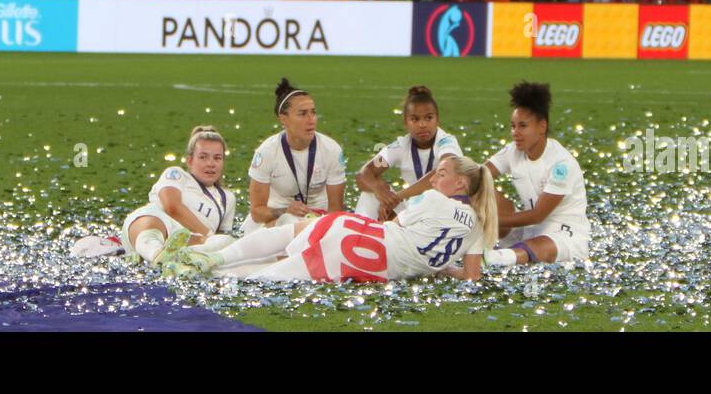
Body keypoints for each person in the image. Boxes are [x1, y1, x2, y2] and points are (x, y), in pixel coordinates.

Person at [168, 153, 495, 283]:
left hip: (366, 240)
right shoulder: (479, 223)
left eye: (440, 175)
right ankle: (213, 272)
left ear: (460, 184)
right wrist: (434, 267)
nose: (435, 181)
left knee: (285, 239)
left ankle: (209, 259)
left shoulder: (435, 199)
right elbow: (471, 276)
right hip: (377, 265)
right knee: (272, 274)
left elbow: (395, 227)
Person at [483, 82, 589, 269]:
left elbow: (538, 215)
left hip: (562, 233)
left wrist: (490, 220)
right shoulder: (513, 151)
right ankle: (502, 253)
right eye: (513, 126)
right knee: (481, 188)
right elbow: (479, 175)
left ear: (542, 127)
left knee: (537, 247)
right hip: (527, 230)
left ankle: (492, 258)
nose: (515, 133)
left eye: (522, 126)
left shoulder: (560, 164)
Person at [240, 77, 346, 235]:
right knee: (287, 223)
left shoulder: (331, 150)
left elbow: (336, 209)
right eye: (303, 114)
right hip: (274, 219)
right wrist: (284, 211)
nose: (311, 120)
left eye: (313, 112)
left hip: (319, 218)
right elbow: (257, 212)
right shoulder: (267, 152)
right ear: (284, 119)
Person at [121, 125, 237, 267]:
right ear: (190, 161)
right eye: (203, 157)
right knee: (152, 222)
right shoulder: (176, 175)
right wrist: (209, 236)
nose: (211, 164)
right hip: (156, 226)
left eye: (217, 158)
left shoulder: (227, 198)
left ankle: (178, 261)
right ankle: (156, 255)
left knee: (227, 242)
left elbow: (223, 238)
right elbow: (172, 207)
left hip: (194, 242)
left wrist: (210, 241)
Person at [354, 86, 462, 221]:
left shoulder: (447, 142)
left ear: (437, 119)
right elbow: (364, 173)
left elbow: (442, 173)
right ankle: (359, 237)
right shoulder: (400, 146)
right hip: (414, 210)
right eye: (415, 119)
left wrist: (398, 196)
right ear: (405, 122)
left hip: (445, 211)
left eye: (428, 118)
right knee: (369, 195)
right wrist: (380, 191)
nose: (422, 124)